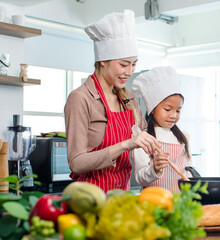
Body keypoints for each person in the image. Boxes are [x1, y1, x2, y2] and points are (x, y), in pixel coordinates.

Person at [64, 10, 160, 193]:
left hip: (121, 198)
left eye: (134, 64)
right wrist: (125, 144)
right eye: (124, 64)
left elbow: (143, 137)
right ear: (103, 61)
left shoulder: (128, 99)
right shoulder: (81, 98)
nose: (130, 72)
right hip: (89, 200)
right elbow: (76, 163)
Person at [131, 66, 193, 193]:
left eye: (178, 110)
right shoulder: (144, 138)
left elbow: (189, 170)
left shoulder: (183, 137)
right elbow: (140, 178)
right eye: (167, 109)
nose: (174, 115)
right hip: (153, 204)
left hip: (180, 203)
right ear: (153, 109)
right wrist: (154, 169)